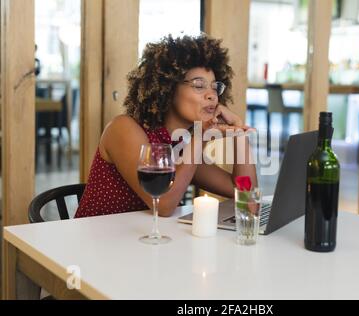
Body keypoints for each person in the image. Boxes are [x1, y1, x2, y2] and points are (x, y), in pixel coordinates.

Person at [75, 34, 257, 218]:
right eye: (199, 85)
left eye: (215, 87)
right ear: (169, 88)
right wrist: (201, 136)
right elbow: (163, 205)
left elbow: (247, 198)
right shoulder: (123, 128)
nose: (212, 95)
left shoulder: (182, 145)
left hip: (146, 243)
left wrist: (239, 133)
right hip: (98, 241)